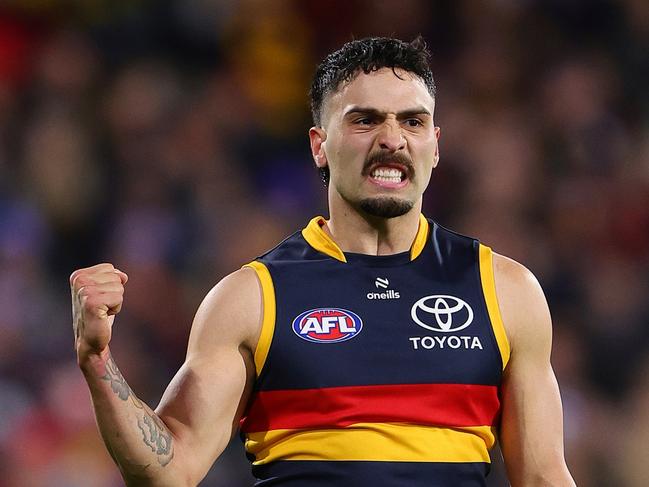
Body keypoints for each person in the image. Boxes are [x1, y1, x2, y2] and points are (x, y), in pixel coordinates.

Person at [70, 37, 576, 486]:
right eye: (365, 119)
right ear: (319, 145)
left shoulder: (505, 291)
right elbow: (170, 469)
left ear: (435, 146)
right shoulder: (253, 298)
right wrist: (98, 362)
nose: (392, 139)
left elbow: (543, 475)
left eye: (413, 121)